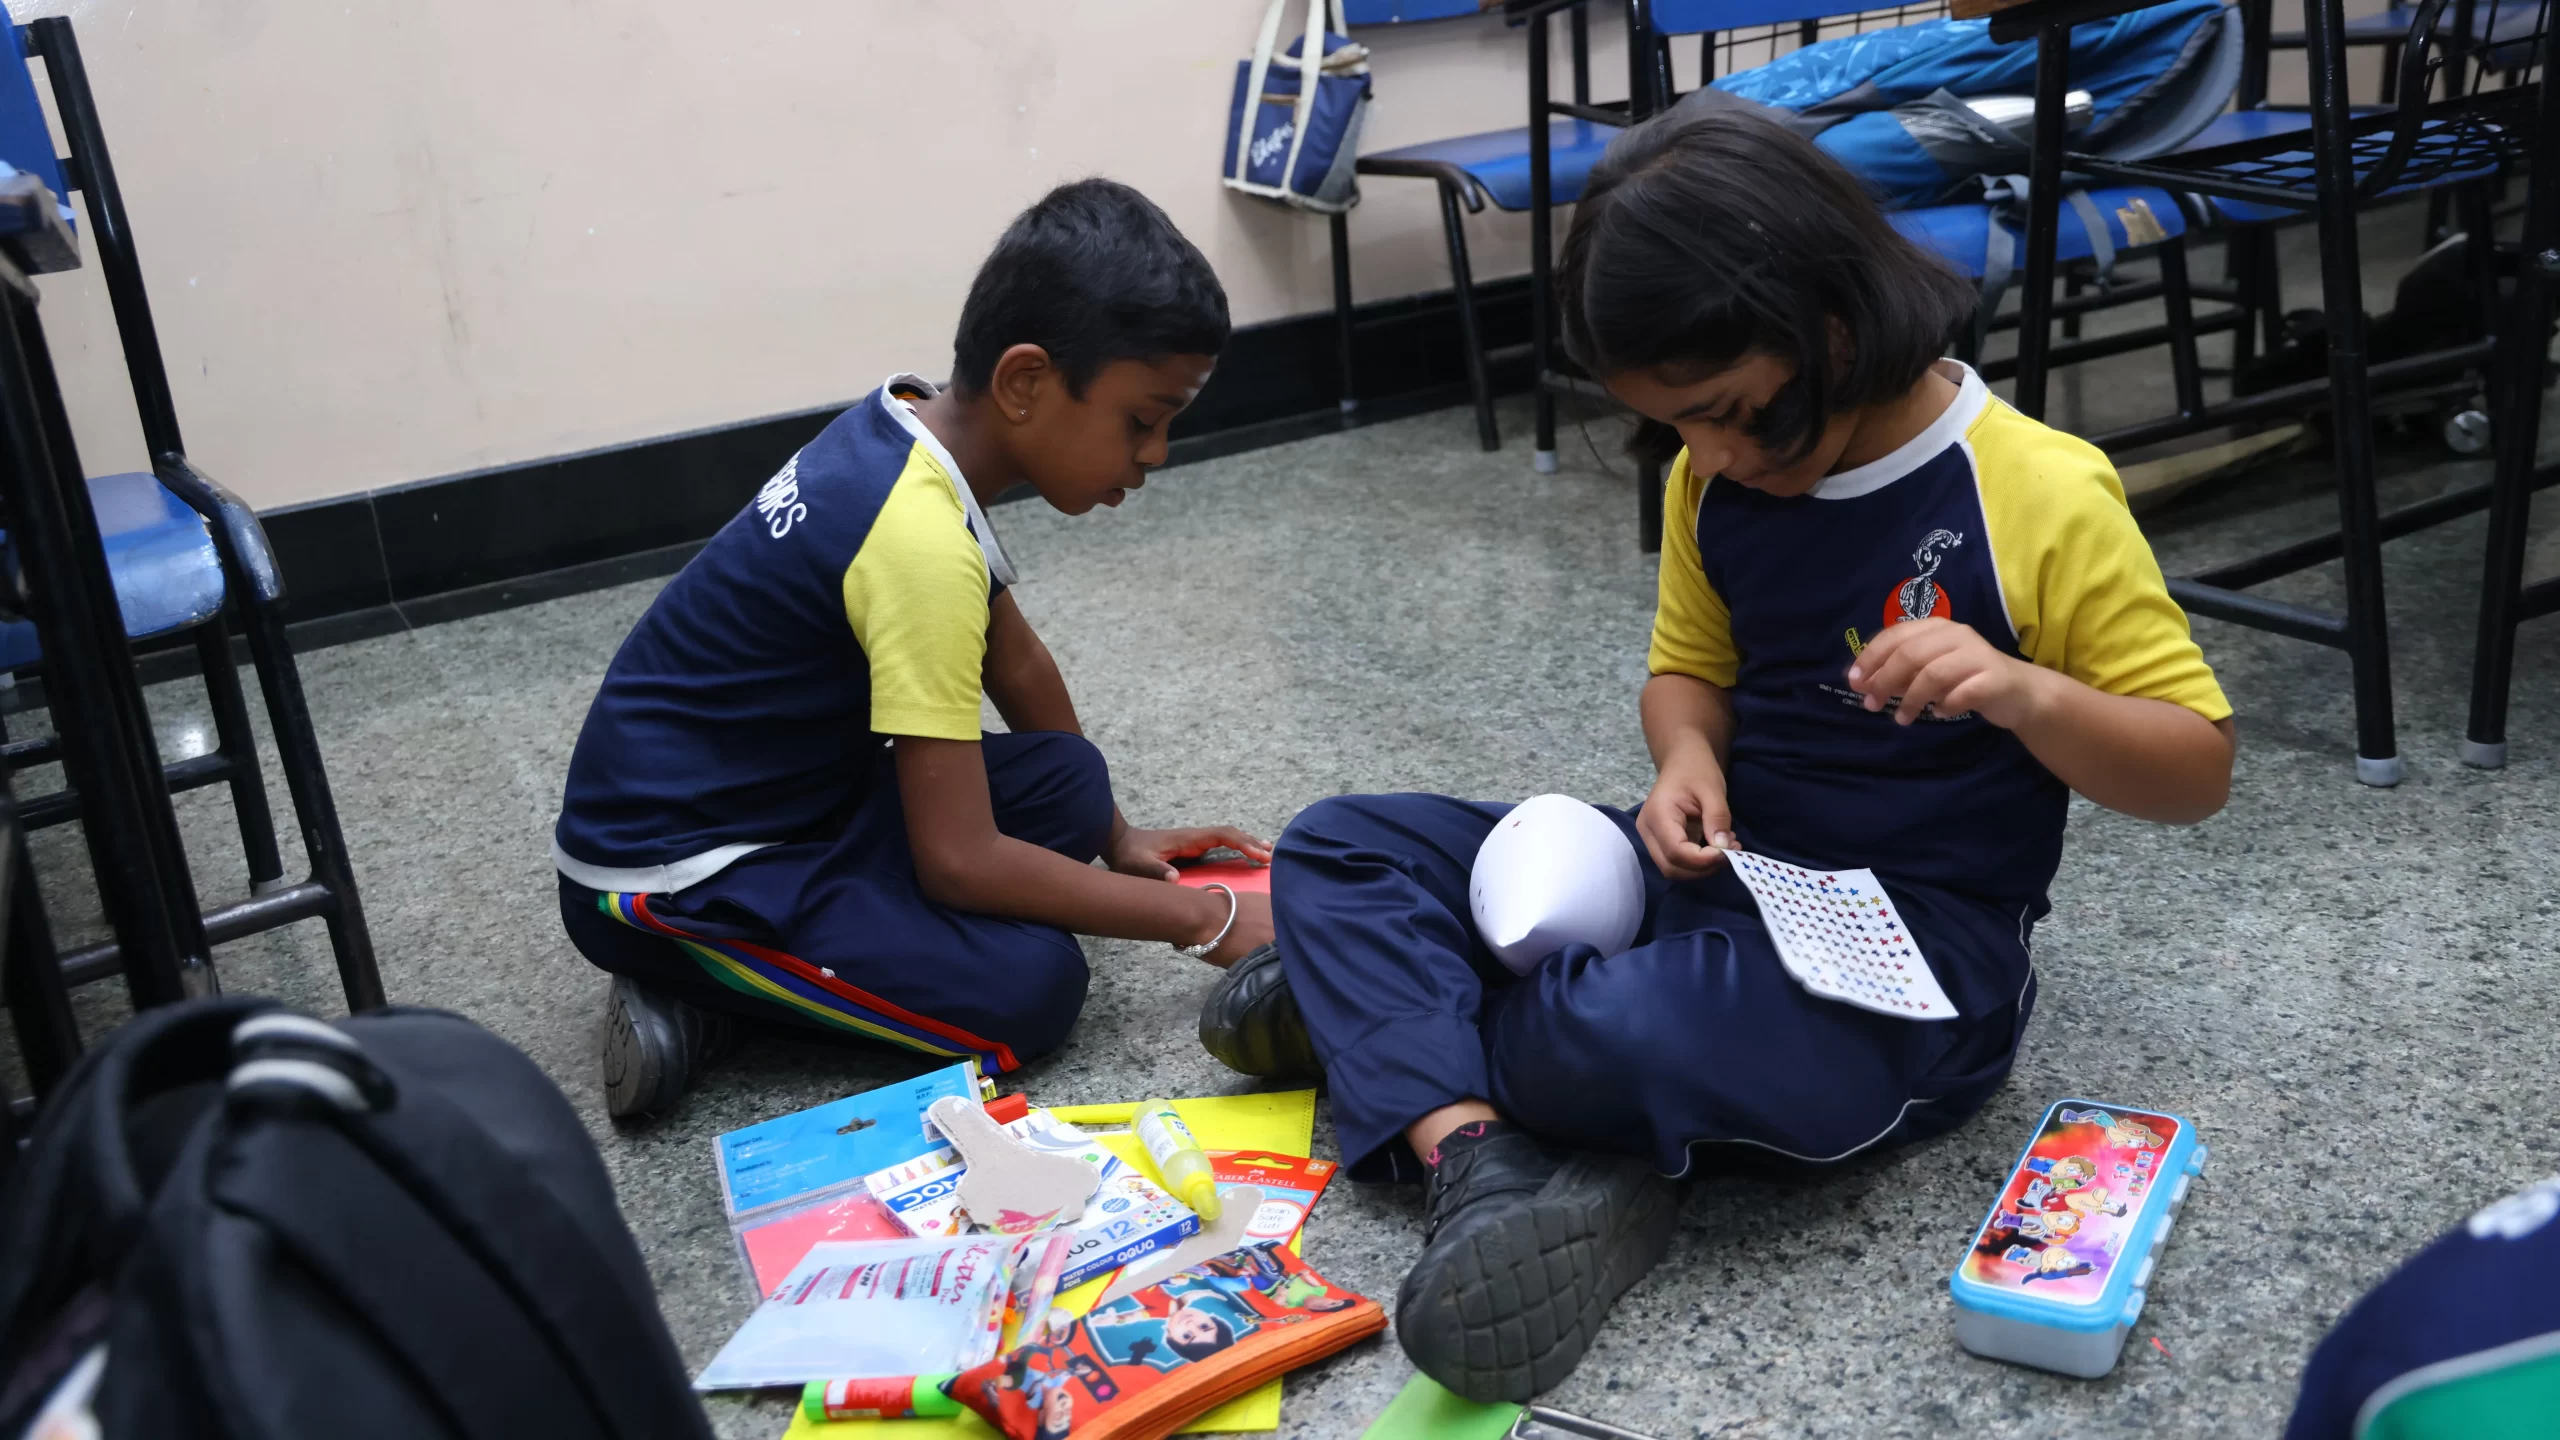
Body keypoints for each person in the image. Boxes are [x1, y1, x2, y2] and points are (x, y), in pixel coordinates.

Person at [1199, 108, 2236, 1402]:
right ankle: (1480, 1141)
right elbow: (1686, 672)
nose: (1712, 456)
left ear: (1831, 330)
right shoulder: (1716, 476)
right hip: (1720, 868)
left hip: (1914, 954)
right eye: (1678, 428)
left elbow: (2195, 767)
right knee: (1343, 843)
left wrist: (2025, 692)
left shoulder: (2034, 489)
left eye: (1731, 414)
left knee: (1609, 1030)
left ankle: (1395, 1031)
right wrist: (1687, 756)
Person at [555, 179, 1273, 1119]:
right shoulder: (917, 542)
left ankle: (807, 958)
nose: (1157, 454)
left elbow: (1015, 665)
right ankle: (704, 995)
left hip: (798, 802)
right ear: (1024, 383)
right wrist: (1205, 916)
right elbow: (960, 863)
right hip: (672, 872)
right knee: (1032, 990)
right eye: (1141, 420)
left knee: (1065, 779)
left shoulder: (909, 426)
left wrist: (1115, 837)